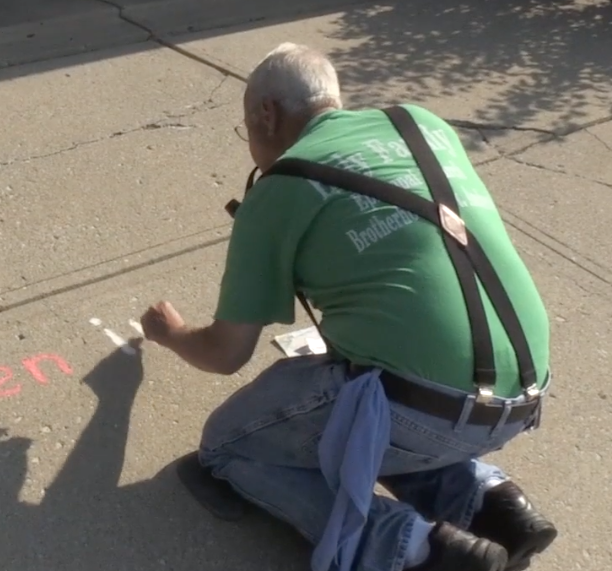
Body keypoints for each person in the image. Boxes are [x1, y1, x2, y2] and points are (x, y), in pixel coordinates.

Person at [139, 42, 557, 571]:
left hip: (428, 408)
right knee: (372, 415)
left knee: (227, 445)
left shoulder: (282, 187)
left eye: (247, 126)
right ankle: (496, 507)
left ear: (266, 114)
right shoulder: (419, 124)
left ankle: (418, 548)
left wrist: (171, 333)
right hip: (526, 388)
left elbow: (226, 354)